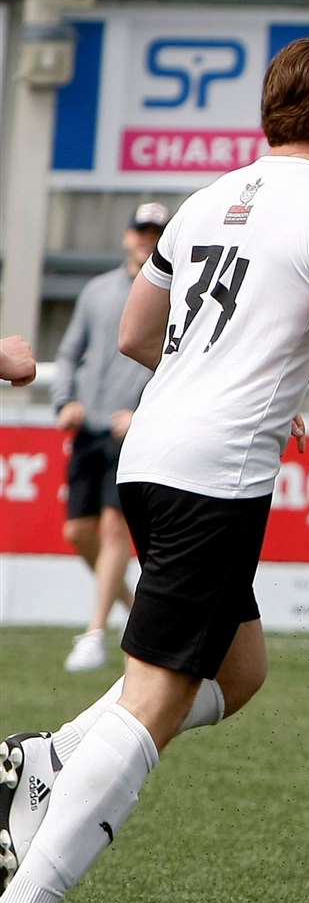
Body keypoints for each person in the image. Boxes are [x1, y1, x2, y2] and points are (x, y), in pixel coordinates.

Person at [0, 37, 309, 903]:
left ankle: (50, 757)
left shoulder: (204, 199)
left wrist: (228, 377)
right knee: (155, 698)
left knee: (237, 672)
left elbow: (133, 336)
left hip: (154, 456)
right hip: (212, 479)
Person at [50, 203, 170, 673]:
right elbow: (69, 351)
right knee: (78, 532)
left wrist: (143, 413)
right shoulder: (97, 290)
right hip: (88, 428)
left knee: (114, 527)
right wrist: (65, 402)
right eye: (141, 231)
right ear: (128, 236)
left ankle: (95, 634)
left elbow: (176, 364)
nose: (147, 240)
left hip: (131, 431)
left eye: (156, 233)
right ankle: (136, 610)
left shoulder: (175, 295)